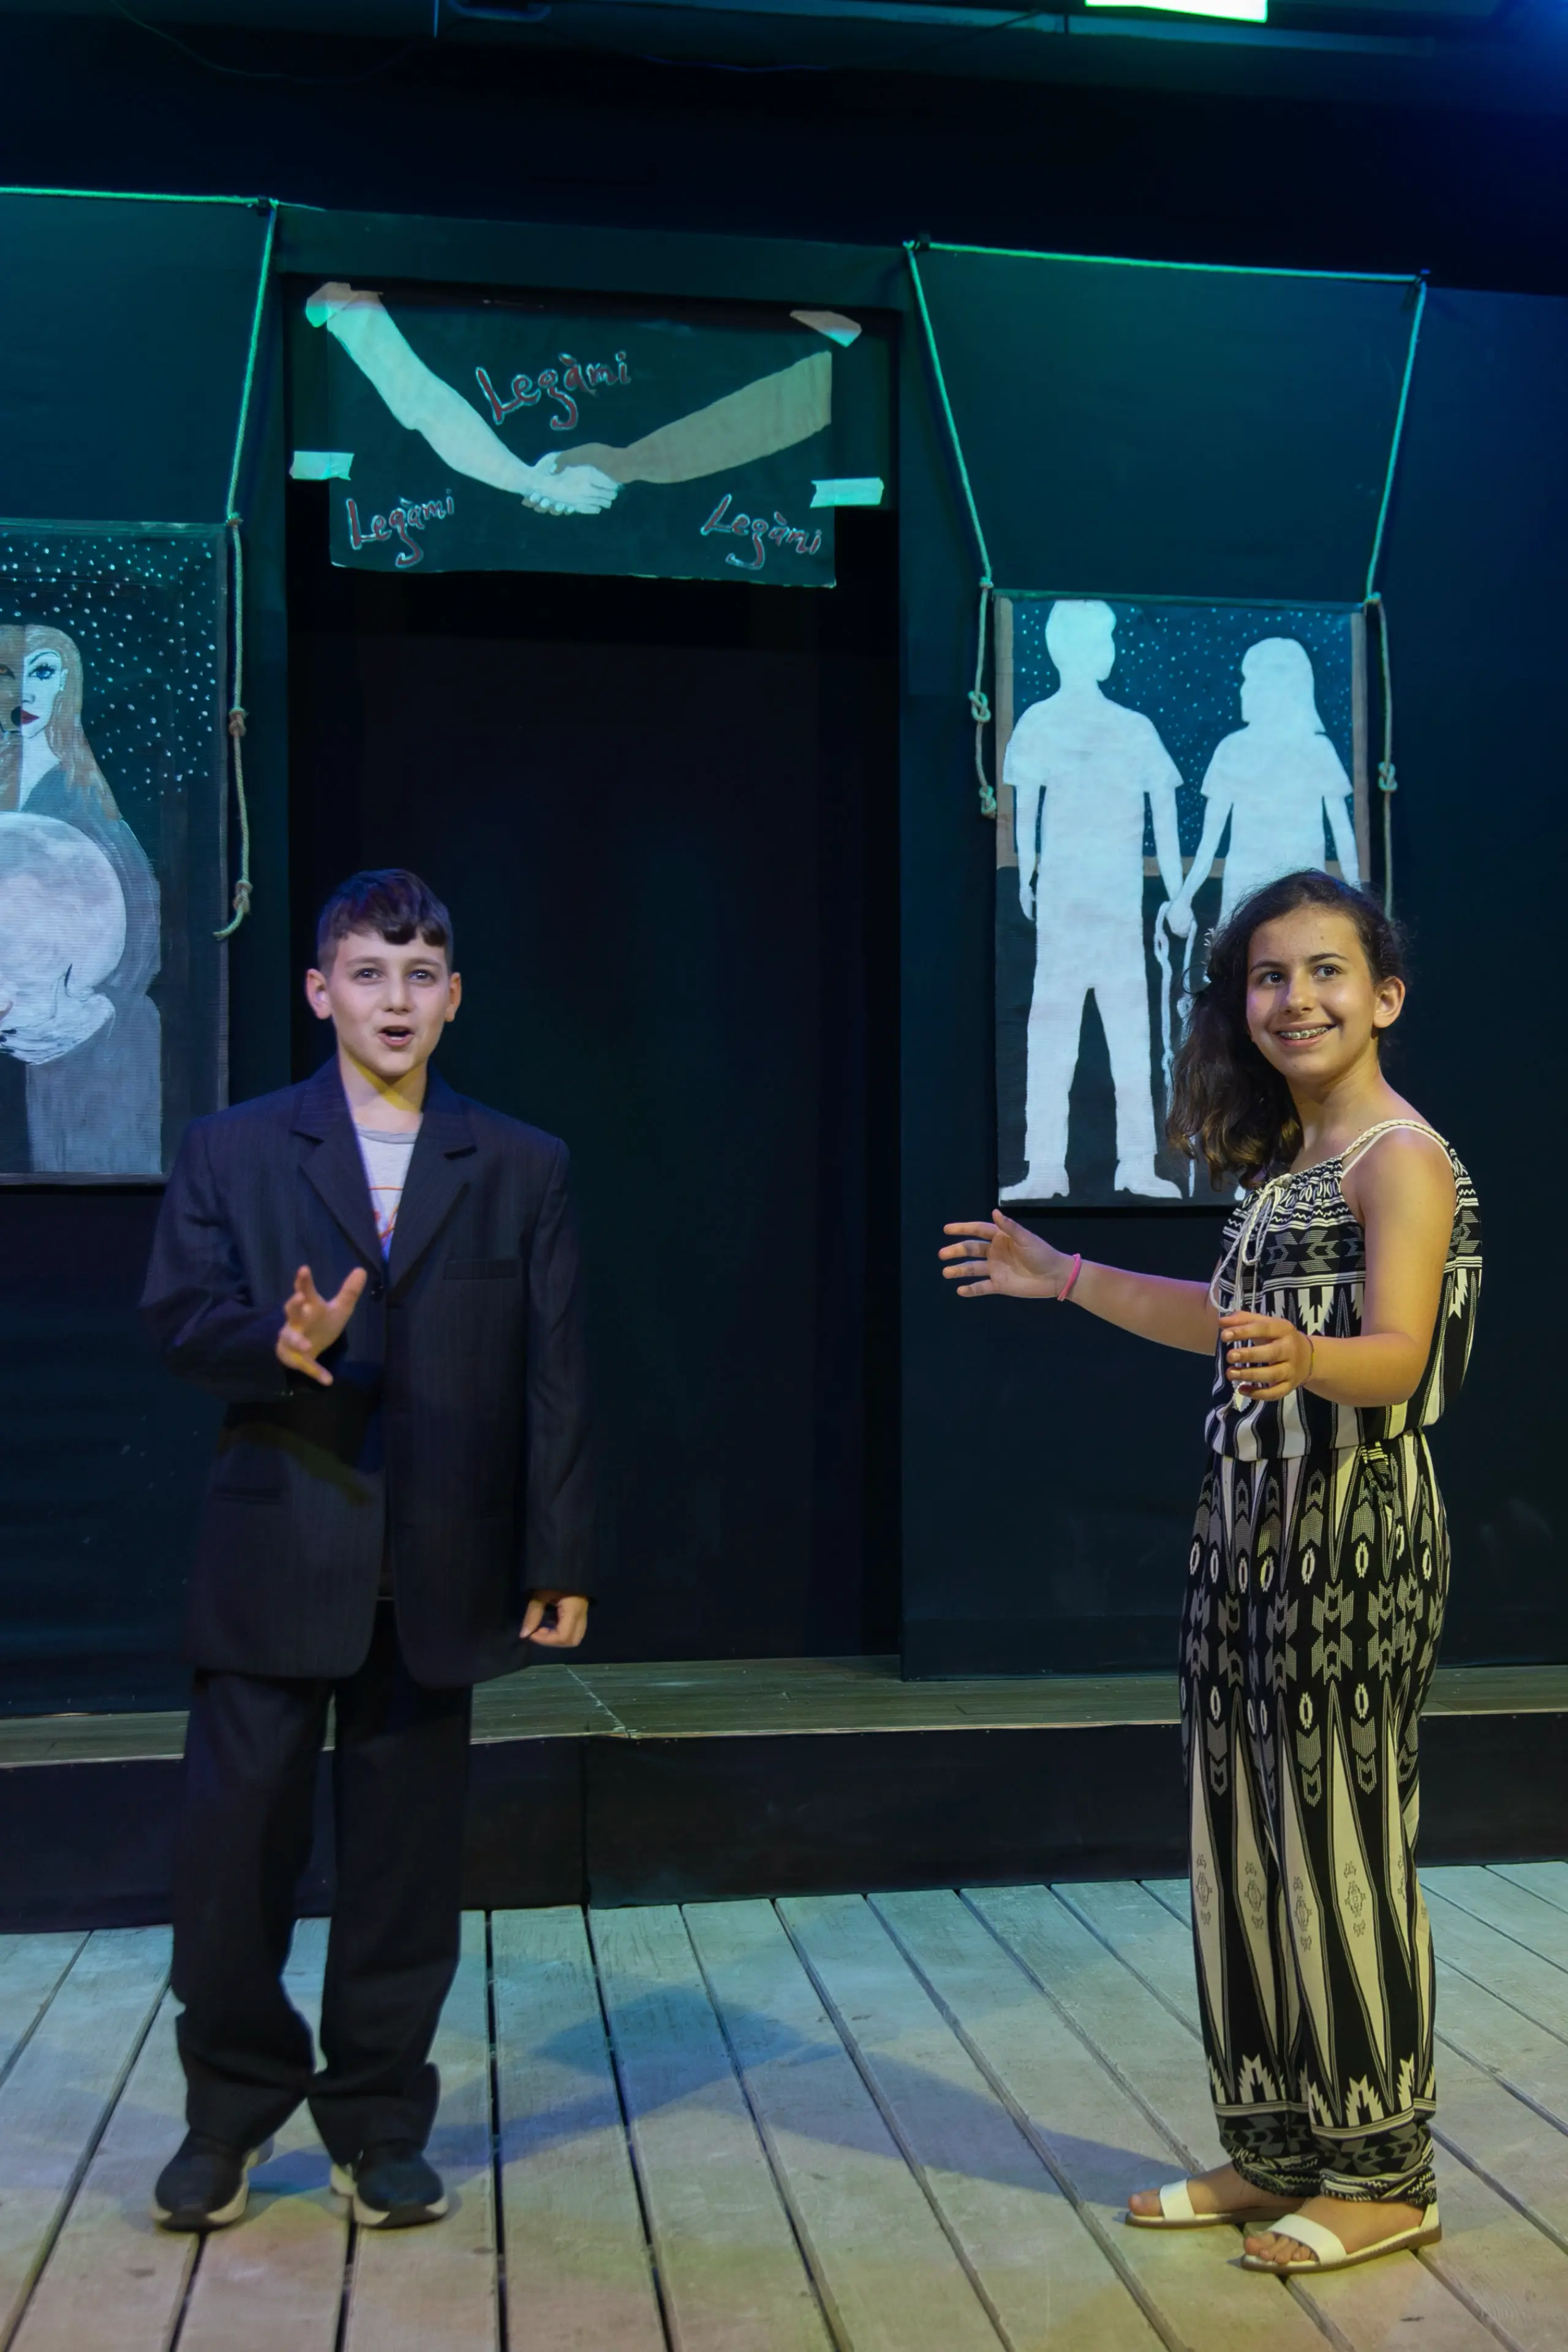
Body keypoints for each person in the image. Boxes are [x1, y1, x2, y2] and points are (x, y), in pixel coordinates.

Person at [940, 869, 1481, 2277]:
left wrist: (1307, 1357)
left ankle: (1383, 2169)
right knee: (1239, 1842)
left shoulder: (1398, 1160)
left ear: (1383, 996)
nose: (1293, 998)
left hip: (1350, 1529)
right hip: (1244, 1528)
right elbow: (1225, 1317)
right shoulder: (1292, 1161)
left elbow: (1397, 1356)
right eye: (1266, 976)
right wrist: (1064, 1275)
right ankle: (1278, 2144)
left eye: (1323, 971)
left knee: (1338, 1847)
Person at [141, 868, 592, 2234]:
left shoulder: (519, 1162)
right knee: (231, 1864)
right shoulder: (232, 1149)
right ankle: (228, 2113)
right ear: (319, 991)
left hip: (440, 1566)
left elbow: (556, 1377)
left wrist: (558, 1554)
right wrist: (276, 1344)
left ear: (453, 999)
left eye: (419, 976)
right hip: (278, 1552)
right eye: (367, 974)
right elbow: (180, 1317)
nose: (393, 1000)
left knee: (403, 1874)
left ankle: (380, 2122)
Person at [1003, 599, 1184, 1202]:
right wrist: (1029, 874)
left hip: (1111, 911)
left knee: (1120, 1035)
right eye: (1102, 641)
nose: (1108, 652)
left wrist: (1175, 892)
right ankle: (1047, 1166)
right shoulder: (1049, 724)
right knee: (1061, 1035)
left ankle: (1135, 1163)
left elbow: (1162, 809)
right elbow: (1027, 810)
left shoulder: (1130, 729)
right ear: (1079, 651)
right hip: (1068, 909)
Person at [0, 623, 161, 1172]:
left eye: (43, 672)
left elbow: (141, 930)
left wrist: (94, 1006)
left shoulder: (83, 801)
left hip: (80, 1042)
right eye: (8, 673)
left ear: (69, 685)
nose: (26, 691)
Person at [1167, 637, 1360, 939]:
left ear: (1276, 689)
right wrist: (1184, 898)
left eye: (1250, 682)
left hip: (1305, 905)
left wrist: (1359, 900)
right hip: (1242, 902)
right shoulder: (1232, 750)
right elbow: (1209, 843)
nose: (1243, 691)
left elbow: (1343, 835)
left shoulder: (1318, 751)